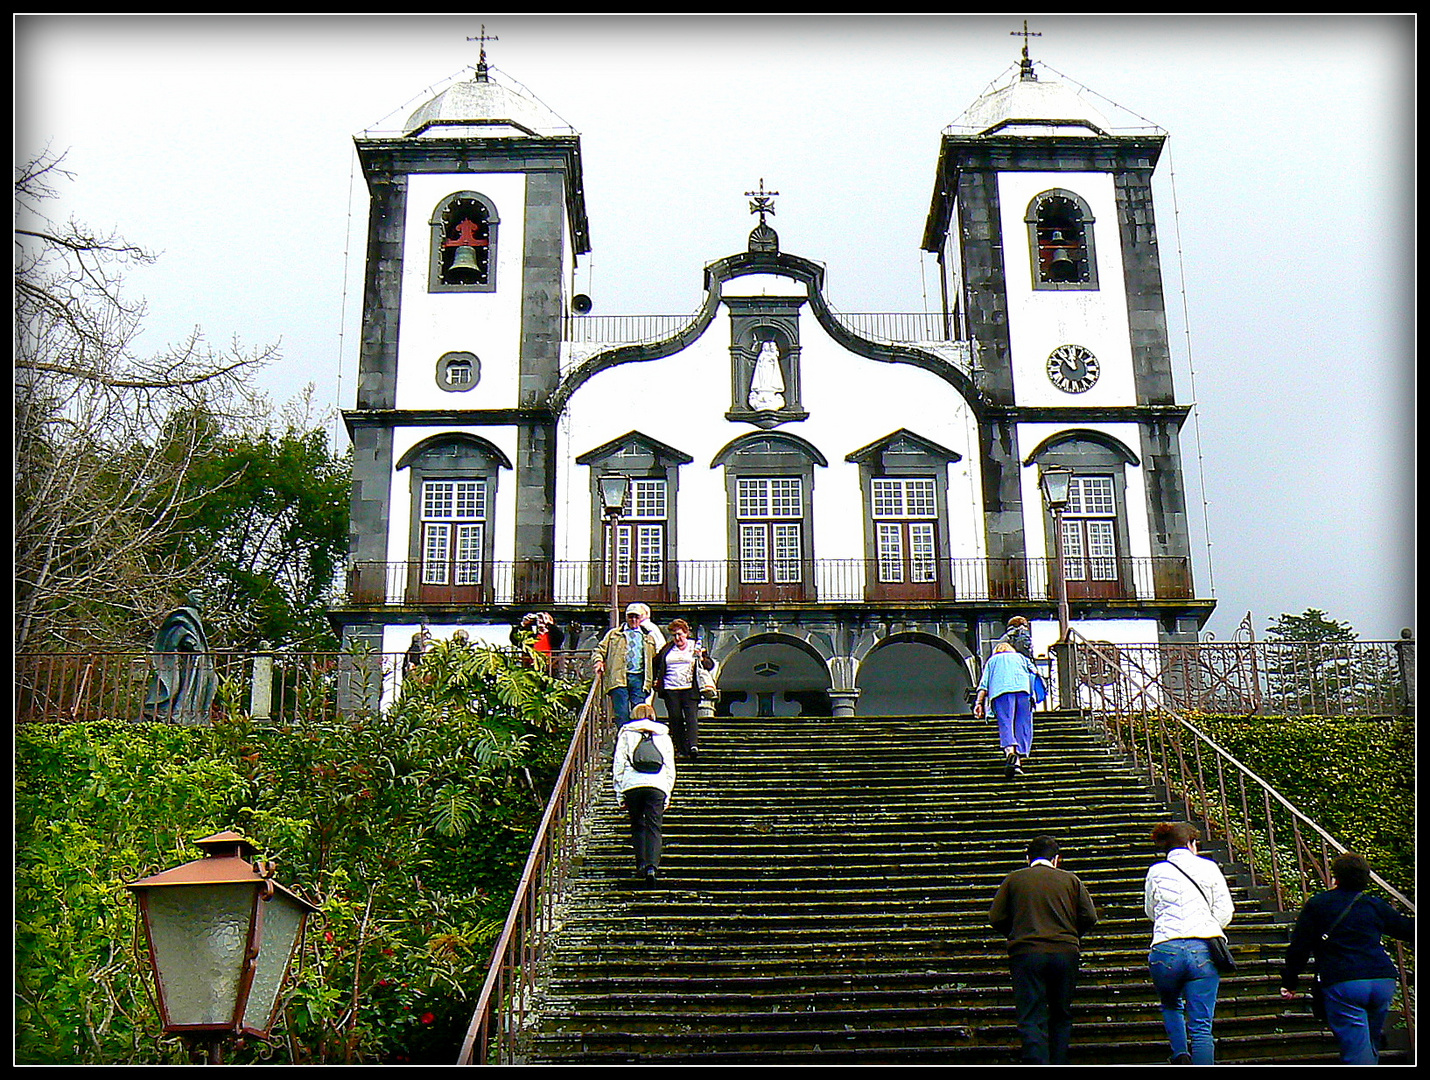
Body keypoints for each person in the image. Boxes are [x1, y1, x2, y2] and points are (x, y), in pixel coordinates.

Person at [1279, 852, 1414, 1065]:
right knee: (1370, 1041)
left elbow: (1299, 947)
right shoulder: (1374, 905)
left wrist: (1290, 981)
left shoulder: (1319, 904)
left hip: (1344, 981)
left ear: (1336, 876)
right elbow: (1407, 929)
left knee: (1357, 1051)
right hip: (1382, 979)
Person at [989, 836, 1099, 1064]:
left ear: (1028, 857)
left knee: (1030, 1013)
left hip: (1027, 952)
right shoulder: (1071, 880)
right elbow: (1090, 916)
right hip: (1064, 952)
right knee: (1060, 1012)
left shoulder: (1014, 880)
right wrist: (1071, 935)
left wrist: (1016, 933)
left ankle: (1037, 1060)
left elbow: (996, 917)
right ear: (1057, 859)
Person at [1144, 821, 1235, 1065]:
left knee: (1171, 1004)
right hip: (1203, 949)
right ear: (1192, 844)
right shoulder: (1209, 867)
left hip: (1165, 947)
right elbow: (1225, 910)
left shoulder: (1156, 871)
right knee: (1202, 1026)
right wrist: (1206, 924)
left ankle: (1180, 1054)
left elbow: (1151, 911)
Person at [611, 702, 676, 886]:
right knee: (654, 827)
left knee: (638, 825)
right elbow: (669, 767)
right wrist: (667, 793)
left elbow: (619, 764)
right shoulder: (663, 735)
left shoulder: (627, 733)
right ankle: (652, 867)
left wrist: (619, 792)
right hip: (657, 785)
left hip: (632, 785)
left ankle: (640, 863)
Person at [594, 603, 665, 727]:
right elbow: (599, 650)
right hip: (619, 677)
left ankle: (637, 741)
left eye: (636, 617)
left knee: (640, 713)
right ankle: (623, 739)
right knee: (621, 712)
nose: (633, 620)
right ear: (626, 617)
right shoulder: (614, 634)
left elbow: (655, 659)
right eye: (631, 617)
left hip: (640, 678)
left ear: (641, 618)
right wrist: (599, 661)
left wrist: (656, 678)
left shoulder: (648, 637)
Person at [974, 641, 1039, 777]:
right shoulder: (1020, 657)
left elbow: (984, 684)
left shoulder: (992, 661)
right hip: (1023, 690)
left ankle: (1011, 753)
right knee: (1022, 725)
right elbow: (1034, 671)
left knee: (1006, 723)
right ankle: (1019, 757)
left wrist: (979, 703)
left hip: (1001, 692)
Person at [653, 618, 715, 762]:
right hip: (670, 688)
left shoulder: (696, 647)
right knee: (675, 719)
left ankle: (693, 746)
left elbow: (709, 665)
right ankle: (680, 748)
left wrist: (701, 657)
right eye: (674, 635)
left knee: (691, 717)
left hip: (689, 689)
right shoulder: (667, 649)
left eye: (680, 634)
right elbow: (656, 663)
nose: (677, 638)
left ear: (686, 633)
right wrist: (656, 680)